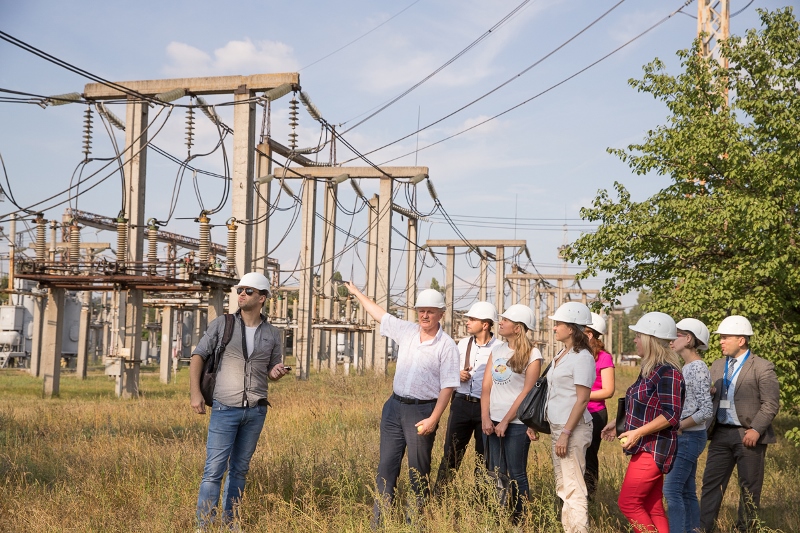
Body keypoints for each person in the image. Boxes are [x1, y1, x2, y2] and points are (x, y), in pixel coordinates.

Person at [344, 283, 460, 526]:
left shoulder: (446, 346)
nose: (424, 316)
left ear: (441, 314)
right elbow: (379, 314)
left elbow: (448, 387)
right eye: (421, 311)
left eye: (430, 311)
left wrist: (433, 419)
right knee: (386, 468)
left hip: (422, 411)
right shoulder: (407, 331)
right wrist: (357, 293)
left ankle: (414, 525)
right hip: (394, 408)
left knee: (418, 472)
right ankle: (380, 523)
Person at [189, 272, 289, 529]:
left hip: (255, 411)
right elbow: (198, 356)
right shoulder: (222, 324)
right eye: (240, 290)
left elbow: (271, 369)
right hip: (224, 408)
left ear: (262, 298)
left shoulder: (272, 334)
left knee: (240, 470)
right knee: (213, 471)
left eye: (248, 291)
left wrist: (275, 373)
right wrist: (195, 393)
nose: (241, 294)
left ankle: (230, 522)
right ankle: (205, 525)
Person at [601, 312, 685, 533]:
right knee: (652, 505)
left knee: (628, 503)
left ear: (651, 339)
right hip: (646, 445)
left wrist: (637, 433)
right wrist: (617, 422)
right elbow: (641, 405)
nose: (635, 340)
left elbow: (671, 414)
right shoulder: (650, 370)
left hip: (654, 447)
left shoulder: (668, 373)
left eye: (638, 336)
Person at [699, 315, 780, 532]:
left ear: (741, 340)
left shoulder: (762, 367)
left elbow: (771, 404)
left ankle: (745, 529)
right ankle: (703, 528)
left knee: (749, 490)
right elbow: (708, 399)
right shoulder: (716, 366)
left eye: (725, 338)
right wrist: (709, 393)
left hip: (749, 436)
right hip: (720, 435)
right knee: (711, 485)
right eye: (720, 338)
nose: (721, 342)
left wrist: (756, 429)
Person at [480, 304, 542, 523]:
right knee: (495, 473)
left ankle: (519, 519)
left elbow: (527, 392)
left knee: (517, 473)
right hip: (492, 420)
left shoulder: (533, 354)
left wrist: (506, 421)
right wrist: (486, 418)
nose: (501, 323)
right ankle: (497, 517)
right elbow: (486, 387)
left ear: (518, 328)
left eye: (505, 320)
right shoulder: (497, 350)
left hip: (516, 423)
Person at [433, 301, 501, 494]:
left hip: (486, 408)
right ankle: (439, 496)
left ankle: (481, 500)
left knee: (484, 457)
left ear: (485, 325)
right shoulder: (462, 344)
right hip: (461, 403)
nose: (467, 322)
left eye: (472, 319)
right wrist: (457, 374)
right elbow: (445, 370)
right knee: (451, 453)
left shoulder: (500, 348)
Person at [546, 302, 597, 533]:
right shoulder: (562, 353)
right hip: (559, 427)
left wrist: (566, 433)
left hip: (572, 430)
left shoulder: (583, 357)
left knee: (574, 487)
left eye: (559, 324)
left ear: (572, 328)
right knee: (563, 486)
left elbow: (582, 399)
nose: (555, 328)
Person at [664, 318, 713, 533]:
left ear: (689, 338)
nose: (671, 340)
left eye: (676, 334)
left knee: (671, 490)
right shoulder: (687, 367)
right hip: (685, 436)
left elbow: (706, 410)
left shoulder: (698, 368)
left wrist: (679, 425)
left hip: (689, 437)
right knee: (686, 490)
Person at [583, 312, 615, 500]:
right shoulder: (575, 355)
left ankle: (590, 497)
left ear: (589, 334)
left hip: (594, 414)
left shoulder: (604, 357)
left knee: (589, 457)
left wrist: (581, 396)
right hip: (575, 412)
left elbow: (608, 390)